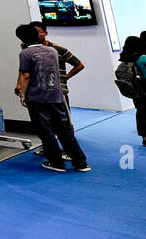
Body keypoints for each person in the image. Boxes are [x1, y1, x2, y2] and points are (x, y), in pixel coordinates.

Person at [15, 23, 90, 172]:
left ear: (21, 39)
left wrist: (23, 95)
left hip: (37, 98)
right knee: (65, 130)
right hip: (57, 96)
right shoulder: (53, 51)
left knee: (46, 131)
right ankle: (80, 162)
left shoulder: (25, 54)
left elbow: (25, 75)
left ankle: (56, 162)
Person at [31, 22, 84, 109]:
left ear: (46, 33)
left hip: (59, 92)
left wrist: (65, 78)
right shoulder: (29, 51)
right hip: (39, 93)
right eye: (33, 32)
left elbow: (79, 65)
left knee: (64, 120)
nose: (36, 35)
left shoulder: (58, 49)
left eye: (38, 32)